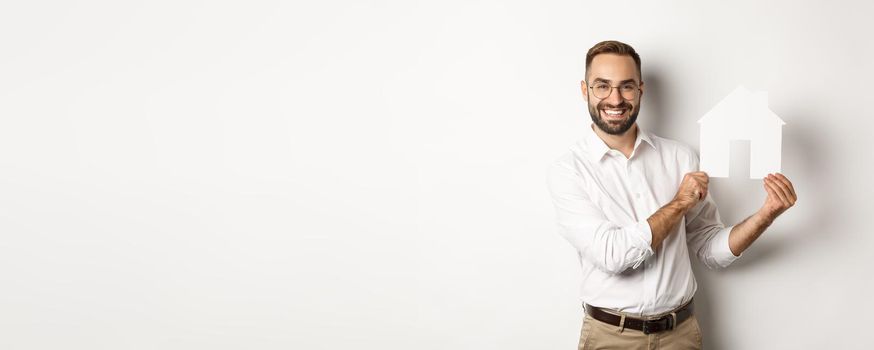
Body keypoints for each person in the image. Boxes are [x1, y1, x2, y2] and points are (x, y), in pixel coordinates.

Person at [546, 40, 797, 350]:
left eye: (626, 87)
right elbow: (613, 255)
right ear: (585, 90)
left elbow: (710, 250)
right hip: (611, 338)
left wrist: (765, 215)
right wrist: (679, 203)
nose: (615, 98)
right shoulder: (569, 170)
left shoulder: (680, 158)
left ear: (640, 90)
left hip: (680, 335)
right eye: (602, 86)